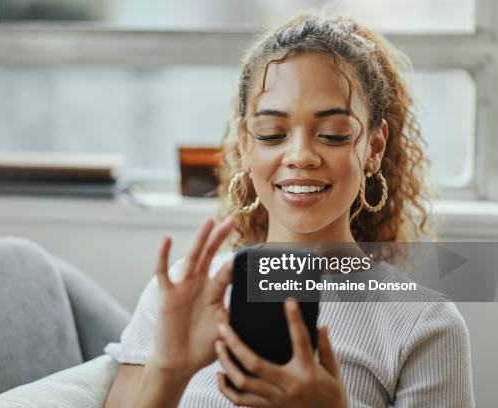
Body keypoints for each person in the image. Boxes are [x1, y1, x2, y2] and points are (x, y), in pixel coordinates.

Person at [104, 13, 474, 407]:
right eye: (272, 135)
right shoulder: (180, 296)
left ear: (374, 148)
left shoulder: (426, 323)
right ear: (247, 147)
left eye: (333, 134)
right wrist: (167, 371)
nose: (299, 156)